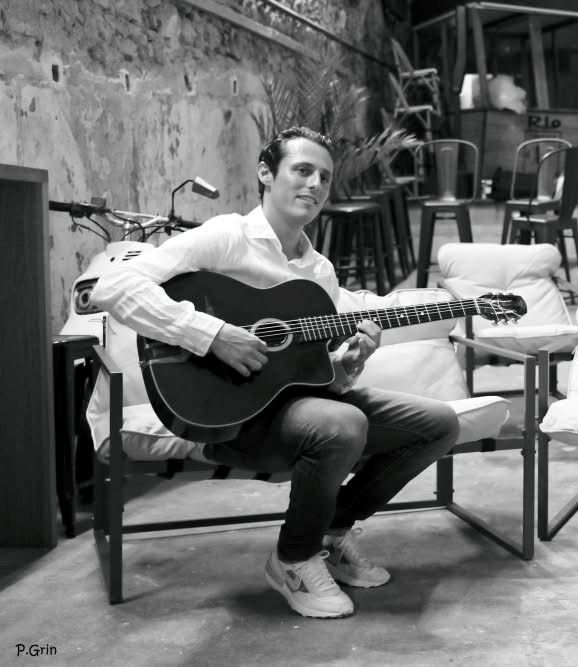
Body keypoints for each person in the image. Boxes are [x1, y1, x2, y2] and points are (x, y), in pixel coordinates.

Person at [91, 126, 460, 619]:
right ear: (266, 173)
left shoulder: (320, 273)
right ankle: (292, 559)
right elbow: (113, 285)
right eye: (302, 170)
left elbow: (308, 375)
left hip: (295, 411)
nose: (315, 184)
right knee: (342, 424)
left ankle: (329, 532)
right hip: (228, 416)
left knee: (438, 423)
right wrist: (211, 334)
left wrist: (346, 365)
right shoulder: (228, 237)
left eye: (324, 176)